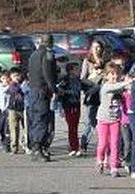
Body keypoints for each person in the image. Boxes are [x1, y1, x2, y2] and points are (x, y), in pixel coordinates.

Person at [95, 62, 132, 177]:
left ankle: (114, 167)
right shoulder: (106, 86)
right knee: (103, 143)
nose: (114, 76)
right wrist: (127, 82)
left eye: (116, 74)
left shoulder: (120, 86)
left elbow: (128, 91)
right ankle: (100, 159)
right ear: (106, 76)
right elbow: (116, 87)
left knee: (115, 143)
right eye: (111, 74)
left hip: (115, 120)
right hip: (103, 119)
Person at [28, 34, 57, 162]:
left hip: (33, 90)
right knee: (42, 119)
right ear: (51, 42)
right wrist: (53, 89)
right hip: (42, 90)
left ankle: (34, 147)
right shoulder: (48, 53)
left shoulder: (33, 54)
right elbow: (48, 72)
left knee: (34, 119)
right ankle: (38, 148)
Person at [80, 40, 108, 153]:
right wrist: (92, 81)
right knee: (89, 122)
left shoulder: (106, 62)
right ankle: (83, 143)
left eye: (99, 47)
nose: (97, 50)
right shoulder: (87, 61)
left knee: (101, 121)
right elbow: (82, 78)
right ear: (91, 49)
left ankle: (104, 145)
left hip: (102, 95)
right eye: (94, 47)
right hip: (90, 93)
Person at [56, 62, 82, 156]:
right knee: (71, 127)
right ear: (70, 71)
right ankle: (73, 147)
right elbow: (59, 90)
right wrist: (61, 107)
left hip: (77, 104)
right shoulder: (65, 80)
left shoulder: (79, 80)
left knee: (76, 126)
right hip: (68, 105)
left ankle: (76, 146)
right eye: (76, 69)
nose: (79, 71)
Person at [6, 68, 25, 154]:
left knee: (26, 128)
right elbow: (14, 90)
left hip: (23, 108)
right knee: (13, 129)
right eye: (14, 76)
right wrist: (19, 85)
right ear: (10, 77)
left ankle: (26, 145)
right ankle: (14, 147)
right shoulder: (11, 85)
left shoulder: (24, 84)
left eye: (18, 75)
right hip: (13, 109)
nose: (16, 77)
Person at [0, 70, 11, 153]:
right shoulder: (0, 85)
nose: (5, 80)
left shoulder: (11, 86)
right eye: (3, 78)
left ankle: (7, 144)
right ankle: (2, 140)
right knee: (0, 127)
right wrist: (10, 85)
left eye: (7, 78)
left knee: (7, 128)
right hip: (1, 109)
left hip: (8, 110)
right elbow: (4, 91)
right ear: (1, 79)